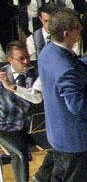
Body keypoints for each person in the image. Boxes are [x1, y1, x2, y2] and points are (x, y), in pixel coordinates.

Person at [38, 7, 87, 181]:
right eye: (77, 27)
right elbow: (80, 107)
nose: (81, 29)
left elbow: (71, 62)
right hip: (75, 140)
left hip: (58, 133)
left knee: (59, 176)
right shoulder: (66, 70)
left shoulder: (48, 52)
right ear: (66, 33)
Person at [0, 41, 54, 182]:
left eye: (28, 57)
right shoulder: (1, 76)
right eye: (21, 59)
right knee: (20, 154)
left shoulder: (35, 74)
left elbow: (37, 98)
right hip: (7, 127)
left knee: (58, 147)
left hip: (31, 126)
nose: (26, 62)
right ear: (10, 60)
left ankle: (41, 177)